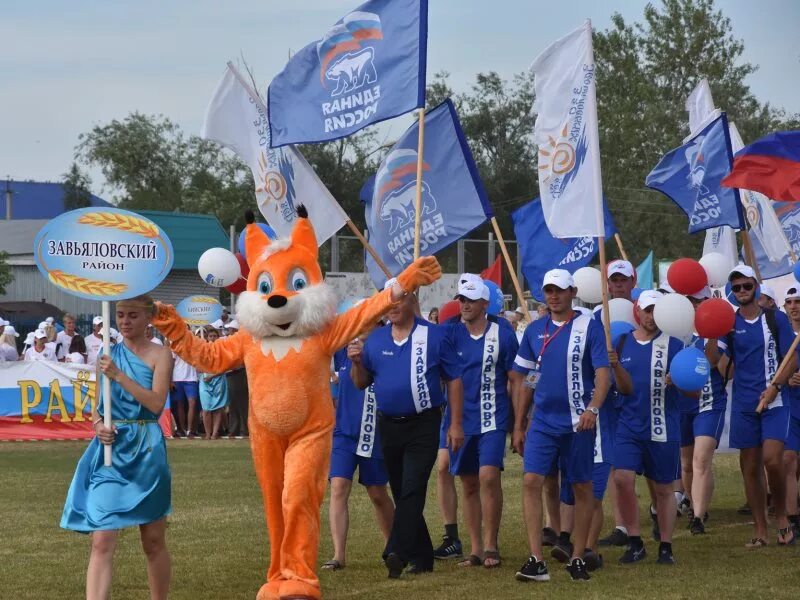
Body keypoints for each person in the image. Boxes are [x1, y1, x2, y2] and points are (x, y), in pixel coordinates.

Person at [61, 295, 174, 600]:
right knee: (102, 538)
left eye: (133, 316)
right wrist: (99, 426)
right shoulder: (106, 355)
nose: (125, 321)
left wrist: (119, 376)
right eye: (121, 315)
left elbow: (155, 403)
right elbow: (98, 408)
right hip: (110, 454)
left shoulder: (161, 355)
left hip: (147, 451)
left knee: (152, 541)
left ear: (148, 318)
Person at [350, 282, 464, 579]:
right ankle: (423, 556)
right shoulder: (374, 342)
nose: (394, 306)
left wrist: (454, 423)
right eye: (389, 301)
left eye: (399, 299)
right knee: (402, 493)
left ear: (412, 300)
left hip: (424, 423)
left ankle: (396, 550)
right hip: (389, 425)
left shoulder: (435, 336)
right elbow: (361, 382)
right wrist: (356, 363)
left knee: (413, 487)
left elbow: (454, 379)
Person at [512, 269, 611, 582]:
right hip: (542, 422)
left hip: (577, 424)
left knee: (582, 487)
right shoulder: (535, 330)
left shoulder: (588, 327)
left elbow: (602, 374)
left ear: (573, 292)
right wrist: (519, 423)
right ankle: (536, 560)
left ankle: (578, 556)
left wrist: (593, 408)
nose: (553, 296)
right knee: (531, 481)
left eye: (560, 290)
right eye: (549, 290)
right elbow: (529, 378)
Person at [706, 265, 796, 547]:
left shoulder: (774, 319)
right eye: (737, 288)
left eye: (746, 286)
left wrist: (775, 387)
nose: (742, 291)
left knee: (773, 459)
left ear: (756, 286)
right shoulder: (728, 323)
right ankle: (760, 529)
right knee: (750, 466)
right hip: (744, 402)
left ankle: (781, 516)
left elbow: (792, 357)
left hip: (775, 399)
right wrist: (709, 331)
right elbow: (715, 361)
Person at [611, 291, 689, 565]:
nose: (651, 316)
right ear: (637, 311)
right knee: (622, 479)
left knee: (665, 489)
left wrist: (679, 380)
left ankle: (666, 546)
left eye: (656, 310)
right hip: (628, 425)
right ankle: (634, 540)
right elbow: (615, 386)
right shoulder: (621, 343)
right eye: (646, 310)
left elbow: (695, 391)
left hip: (662, 427)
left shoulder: (676, 346)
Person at [448, 275, 520, 569]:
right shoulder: (452, 334)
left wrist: (518, 424)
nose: (464, 304)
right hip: (461, 421)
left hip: (493, 418)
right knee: (468, 484)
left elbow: (516, 378)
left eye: (470, 299)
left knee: (489, 476)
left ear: (485, 304)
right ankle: (475, 548)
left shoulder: (502, 334)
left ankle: (491, 545)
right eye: (461, 299)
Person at [323, 332, 395, 571]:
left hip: (373, 433)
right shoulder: (342, 351)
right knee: (338, 487)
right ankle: (338, 555)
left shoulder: (383, 349)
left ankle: (392, 546)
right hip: (344, 433)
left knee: (377, 494)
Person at [679, 288, 727, 535]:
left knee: (701, 460)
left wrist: (710, 335)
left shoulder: (720, 331)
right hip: (684, 404)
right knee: (687, 464)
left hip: (710, 403)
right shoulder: (677, 327)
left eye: (700, 300)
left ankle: (698, 516)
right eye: (691, 300)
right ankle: (693, 503)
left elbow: (716, 363)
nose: (696, 304)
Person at [783, 286, 800, 536]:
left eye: (798, 301)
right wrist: (786, 380)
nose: (794, 306)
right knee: (787, 460)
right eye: (789, 302)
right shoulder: (780, 334)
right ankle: (792, 518)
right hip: (788, 405)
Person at [198, 327, 229, 440]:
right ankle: (207, 433)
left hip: (218, 380)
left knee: (217, 408)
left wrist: (213, 375)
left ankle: (215, 433)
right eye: (210, 336)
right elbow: (197, 365)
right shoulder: (202, 349)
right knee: (206, 409)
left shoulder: (223, 350)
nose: (212, 338)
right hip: (205, 381)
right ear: (207, 338)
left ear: (218, 337)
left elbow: (225, 366)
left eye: (214, 336)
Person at [171, 331, 200, 438]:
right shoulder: (175, 345)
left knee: (192, 403)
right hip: (177, 378)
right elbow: (171, 363)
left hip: (191, 378)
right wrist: (170, 380)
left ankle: (190, 430)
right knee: (180, 405)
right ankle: (181, 429)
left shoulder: (194, 346)